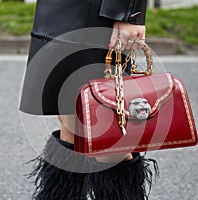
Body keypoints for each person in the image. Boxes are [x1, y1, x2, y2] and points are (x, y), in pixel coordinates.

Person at [19, 0, 159, 199]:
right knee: (70, 118)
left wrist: (130, 14)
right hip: (57, 11)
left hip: (101, 10)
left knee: (107, 129)